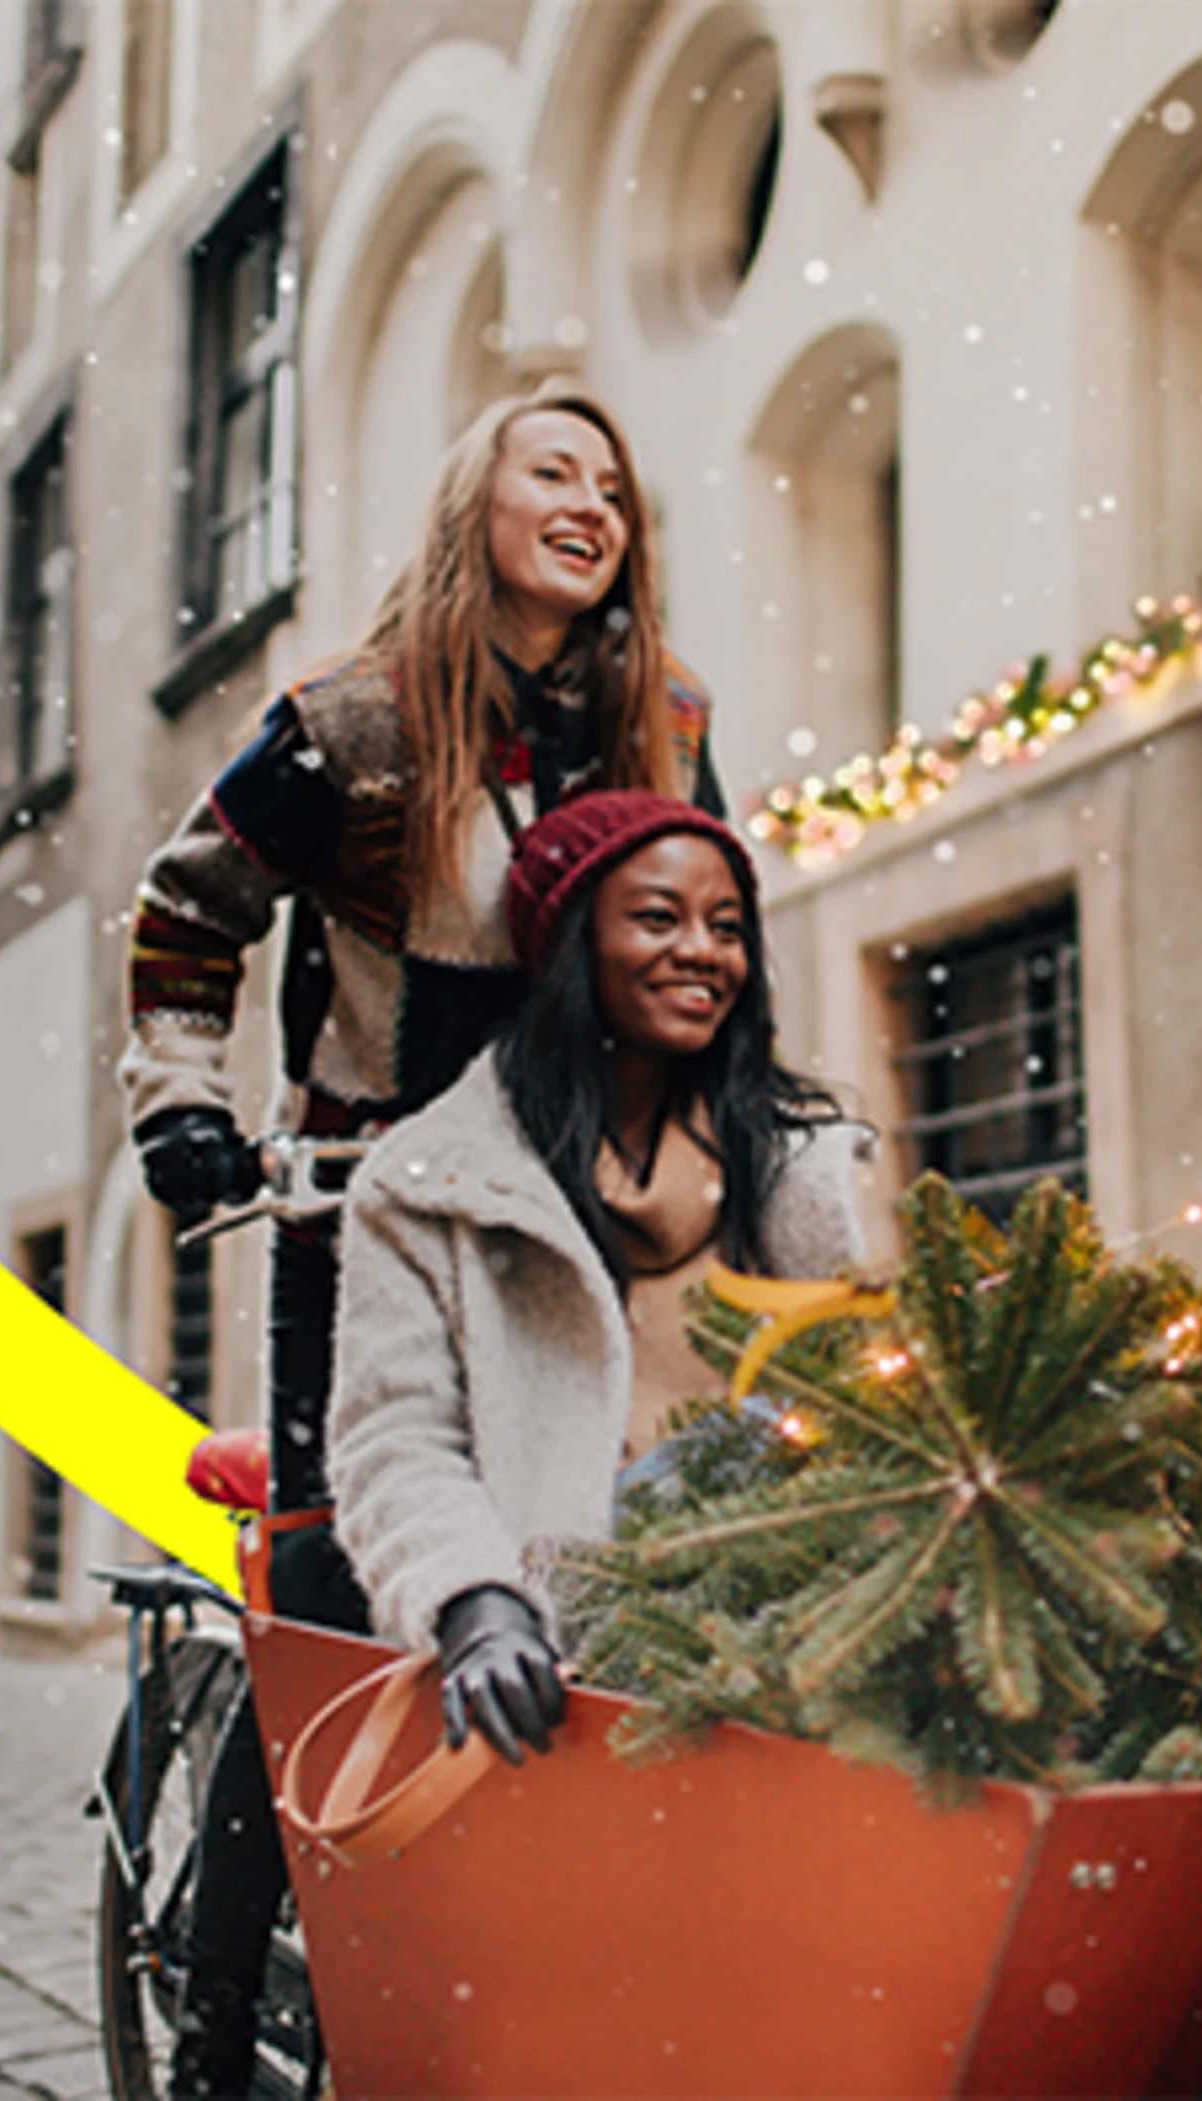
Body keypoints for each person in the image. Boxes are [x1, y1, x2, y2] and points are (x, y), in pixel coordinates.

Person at [117, 384, 719, 2101]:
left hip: (575, 1225)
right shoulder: (352, 725)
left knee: (603, 1585)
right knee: (333, 1615)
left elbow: (701, 935)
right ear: (478, 504)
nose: (591, 501)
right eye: (553, 469)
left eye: (615, 484)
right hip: (363, 1214)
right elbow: (187, 913)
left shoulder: (668, 721)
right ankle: (210, 2039)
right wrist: (181, 1103)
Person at [330, 790, 874, 1762]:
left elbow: (879, 1391)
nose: (703, 952)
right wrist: (477, 1604)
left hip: (806, 1619)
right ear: (572, 946)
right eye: (659, 918)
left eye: (728, 928)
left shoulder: (803, 1168)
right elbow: (395, 1441)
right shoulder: (426, 1186)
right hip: (573, 1638)